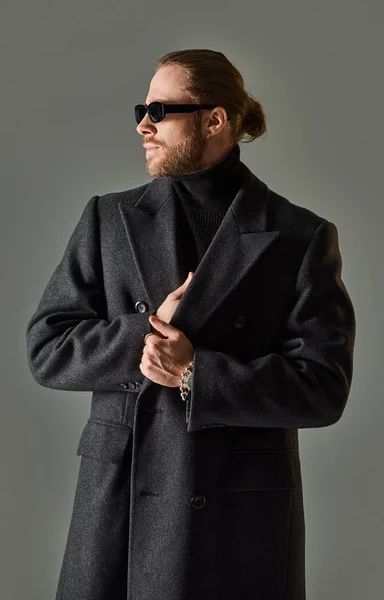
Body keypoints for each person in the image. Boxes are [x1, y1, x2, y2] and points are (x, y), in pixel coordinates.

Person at [26, 48, 356, 600]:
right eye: (141, 109)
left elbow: (323, 389)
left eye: (159, 110)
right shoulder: (109, 218)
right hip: (122, 504)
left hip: (236, 512)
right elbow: (47, 348)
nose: (143, 125)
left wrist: (194, 371)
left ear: (215, 119)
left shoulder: (299, 235)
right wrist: (143, 337)